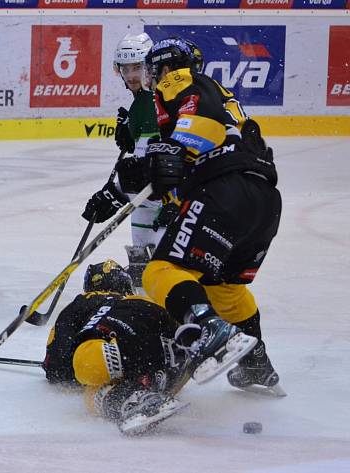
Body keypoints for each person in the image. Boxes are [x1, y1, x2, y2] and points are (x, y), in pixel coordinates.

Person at [137, 37, 283, 393]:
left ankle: (207, 327)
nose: (153, 79)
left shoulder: (183, 81)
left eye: (154, 71)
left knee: (160, 270)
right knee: (225, 290)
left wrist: (164, 152)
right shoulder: (222, 97)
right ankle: (255, 363)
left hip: (224, 191)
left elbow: (203, 128)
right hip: (264, 201)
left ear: (166, 67)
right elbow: (205, 145)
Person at [44, 260, 192, 435]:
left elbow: (57, 364)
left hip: (118, 344)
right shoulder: (146, 300)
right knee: (134, 366)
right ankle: (146, 384)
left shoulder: (86, 300)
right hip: (176, 362)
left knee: (90, 376)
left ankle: (132, 399)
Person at [81, 33, 174, 290]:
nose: (132, 75)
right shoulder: (139, 106)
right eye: (126, 68)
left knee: (167, 269)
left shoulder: (163, 99)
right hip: (147, 201)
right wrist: (113, 195)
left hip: (169, 201)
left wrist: (178, 200)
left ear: (150, 67)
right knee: (143, 265)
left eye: (138, 67)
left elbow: (172, 160)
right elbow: (142, 169)